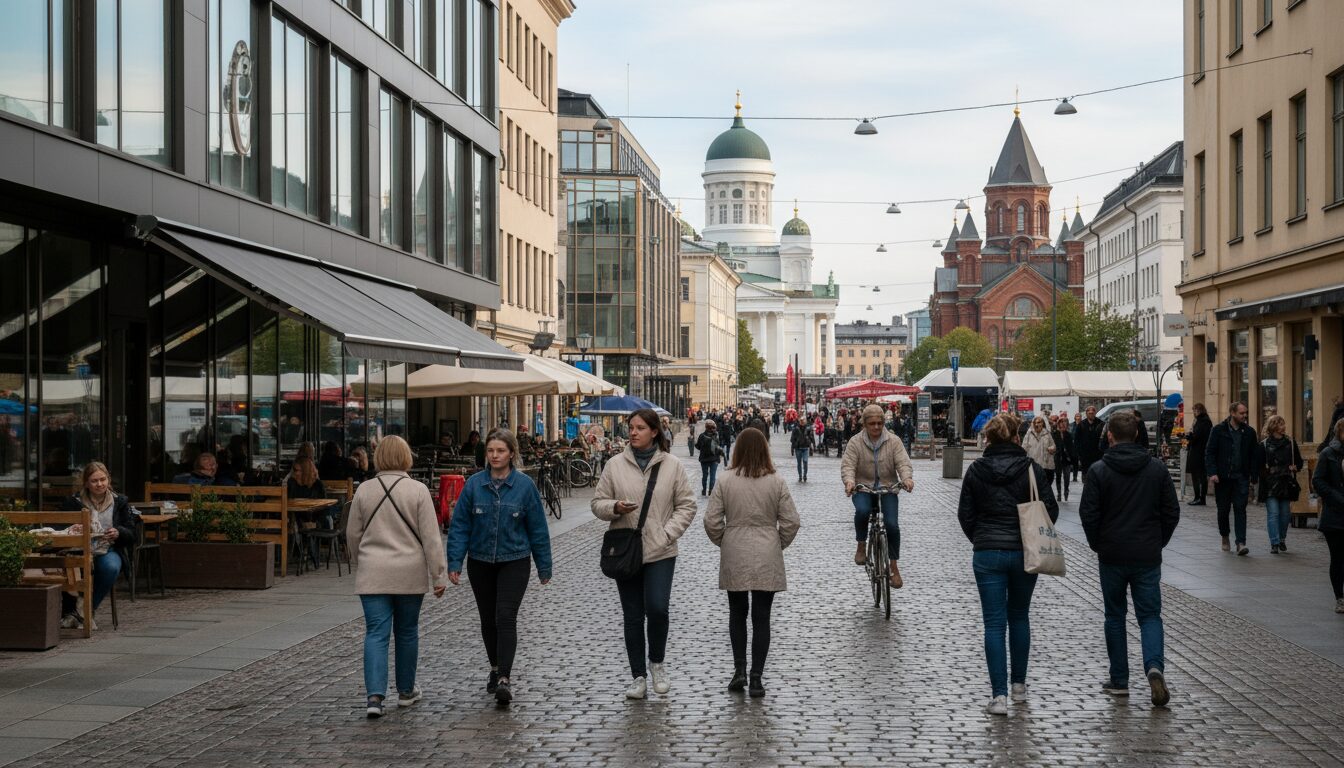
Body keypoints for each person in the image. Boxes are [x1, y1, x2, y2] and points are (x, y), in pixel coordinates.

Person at [591, 408, 697, 700]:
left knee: (658, 609)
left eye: (639, 428)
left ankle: (657, 664)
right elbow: (597, 503)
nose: (633, 433)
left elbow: (687, 505)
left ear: (654, 431)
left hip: (661, 550)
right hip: (626, 549)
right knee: (633, 616)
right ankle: (637, 675)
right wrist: (614, 507)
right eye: (631, 427)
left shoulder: (672, 465)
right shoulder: (615, 465)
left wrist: (667, 533)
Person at [956, 414, 1057, 716]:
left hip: (988, 552)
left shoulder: (976, 470)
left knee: (994, 623)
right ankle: (1020, 687)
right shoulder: (1031, 469)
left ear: (987, 439)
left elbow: (965, 514)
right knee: (1020, 617)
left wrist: (981, 537)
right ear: (1016, 437)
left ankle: (998, 696)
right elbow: (1050, 508)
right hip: (1024, 551)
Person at [1079, 411, 1179, 707]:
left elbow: (1089, 514)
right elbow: (1171, 512)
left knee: (1115, 615)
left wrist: (1098, 543)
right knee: (1149, 615)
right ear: (1136, 434)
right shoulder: (1157, 469)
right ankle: (1154, 666)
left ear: (1109, 435)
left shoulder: (1098, 470)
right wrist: (1158, 541)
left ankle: (1120, 679)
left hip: (1112, 553)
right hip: (1146, 553)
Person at [445, 429, 552, 706]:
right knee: (488, 619)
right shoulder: (474, 485)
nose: (494, 455)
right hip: (480, 561)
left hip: (514, 560)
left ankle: (504, 677)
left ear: (511, 453)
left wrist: (544, 565)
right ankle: (494, 667)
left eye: (500, 451)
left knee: (505, 616)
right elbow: (460, 527)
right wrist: (454, 561)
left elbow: (538, 529)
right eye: (491, 451)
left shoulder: (525, 486)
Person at [346, 435, 448, 719]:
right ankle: (405, 691)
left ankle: (374, 697)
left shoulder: (364, 490)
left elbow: (352, 534)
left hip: (373, 571)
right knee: (407, 631)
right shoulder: (417, 490)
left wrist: (361, 560)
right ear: (406, 457)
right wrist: (438, 574)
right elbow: (431, 537)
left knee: (376, 633)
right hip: (409, 571)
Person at [703, 428, 799, 698]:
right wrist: (777, 542)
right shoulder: (776, 481)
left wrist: (725, 540)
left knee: (737, 614)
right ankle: (757, 677)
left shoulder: (725, 480)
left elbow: (711, 521)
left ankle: (739, 670)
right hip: (767, 547)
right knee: (762, 618)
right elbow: (792, 521)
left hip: (735, 547)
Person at [841, 404, 915, 588]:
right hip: (863, 487)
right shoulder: (855, 442)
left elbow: (903, 463)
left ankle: (893, 567)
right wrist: (849, 482)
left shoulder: (894, 441)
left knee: (892, 525)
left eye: (879, 423)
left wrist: (906, 479)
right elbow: (848, 465)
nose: (876, 427)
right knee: (863, 511)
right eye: (872, 423)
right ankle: (861, 545)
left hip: (888, 487)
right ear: (864, 424)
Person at [58, 462, 135, 630]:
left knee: (111, 566)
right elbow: (60, 528)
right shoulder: (74, 501)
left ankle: (85, 611)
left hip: (108, 549)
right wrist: (73, 528)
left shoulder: (120, 501)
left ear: (108, 480)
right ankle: (72, 613)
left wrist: (118, 532)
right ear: (86, 483)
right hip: (78, 551)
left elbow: (132, 533)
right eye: (94, 481)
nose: (99, 484)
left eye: (103, 479)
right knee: (71, 567)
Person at [1206, 402, 1261, 555]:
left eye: (1246, 413)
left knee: (1240, 509)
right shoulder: (1218, 430)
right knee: (1223, 510)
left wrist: (1253, 476)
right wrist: (1213, 472)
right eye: (1242, 413)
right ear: (1232, 413)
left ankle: (1241, 542)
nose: (1245, 416)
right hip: (1223, 478)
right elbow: (1210, 452)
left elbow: (1253, 456)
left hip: (1241, 477)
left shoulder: (1249, 432)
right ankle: (1225, 536)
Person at [1312, 418, 1344, 613]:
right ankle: (1339, 597)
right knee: (1338, 558)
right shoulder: (1329, 453)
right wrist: (1337, 498)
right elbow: (1318, 481)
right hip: (1335, 516)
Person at [1259, 415, 1303, 554]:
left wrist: (1295, 467)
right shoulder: (1264, 444)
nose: (1283, 426)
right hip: (1270, 482)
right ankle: (1275, 542)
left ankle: (1282, 538)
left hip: (1285, 482)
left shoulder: (1290, 442)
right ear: (1273, 427)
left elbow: (1299, 462)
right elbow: (1258, 465)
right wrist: (1263, 473)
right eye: (1280, 424)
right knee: (1273, 513)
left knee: (1285, 514)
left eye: (1283, 424)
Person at [1185, 403, 1213, 506]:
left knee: (1197, 476)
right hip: (1202, 451)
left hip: (1198, 452)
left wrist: (1189, 437)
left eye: (1195, 410)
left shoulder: (1202, 422)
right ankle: (1201, 498)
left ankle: (1199, 498)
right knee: (1201, 476)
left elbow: (1197, 436)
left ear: (1199, 410)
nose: (1194, 412)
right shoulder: (1205, 421)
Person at [1021, 416, 1056, 486]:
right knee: (1035, 488)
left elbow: (1053, 445)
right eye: (1035, 423)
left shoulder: (1047, 433)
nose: (1037, 424)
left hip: (1046, 465)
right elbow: (1023, 448)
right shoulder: (1029, 433)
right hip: (1033, 465)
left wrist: (1051, 448)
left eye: (1039, 422)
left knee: (1046, 486)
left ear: (1043, 423)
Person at [1074, 406, 1105, 480]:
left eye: (1092, 412)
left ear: (1095, 413)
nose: (1091, 414)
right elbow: (1077, 441)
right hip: (1085, 457)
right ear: (1086, 413)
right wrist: (1079, 454)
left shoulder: (1101, 424)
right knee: (1086, 478)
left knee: (1097, 476)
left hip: (1097, 455)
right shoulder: (1081, 425)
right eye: (1089, 413)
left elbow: (1104, 439)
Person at [1050, 414, 1076, 502]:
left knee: (1067, 477)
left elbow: (1072, 448)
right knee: (1058, 476)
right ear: (1058, 425)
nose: (1062, 426)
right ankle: (1059, 493)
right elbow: (1053, 446)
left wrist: (1073, 459)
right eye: (1061, 424)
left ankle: (1066, 490)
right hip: (1057, 458)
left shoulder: (1068, 434)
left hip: (1067, 459)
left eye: (1064, 424)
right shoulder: (1054, 434)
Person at [695, 420, 724, 495]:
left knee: (704, 475)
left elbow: (698, 446)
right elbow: (718, 446)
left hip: (704, 459)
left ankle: (704, 490)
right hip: (714, 459)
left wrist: (702, 448)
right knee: (712, 475)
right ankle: (711, 490)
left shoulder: (702, 435)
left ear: (706, 427)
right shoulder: (716, 435)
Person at [789, 418, 811, 483]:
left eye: (803, 421)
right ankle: (800, 476)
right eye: (801, 421)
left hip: (805, 448)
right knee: (799, 463)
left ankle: (805, 475)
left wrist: (811, 445)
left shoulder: (808, 429)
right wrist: (792, 448)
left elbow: (811, 437)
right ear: (799, 422)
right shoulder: (795, 429)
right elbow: (792, 439)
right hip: (798, 448)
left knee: (805, 461)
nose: (802, 422)